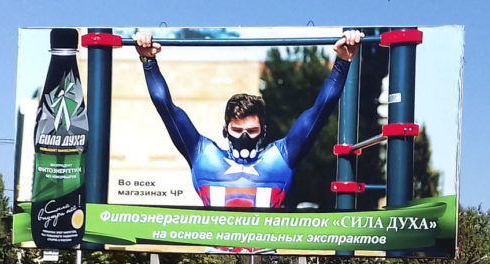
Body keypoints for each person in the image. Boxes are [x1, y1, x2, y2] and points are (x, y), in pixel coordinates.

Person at [133, 30, 364, 210]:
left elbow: (320, 111)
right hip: (216, 262)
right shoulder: (203, 155)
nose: (244, 136)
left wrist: (343, 61)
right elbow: (165, 107)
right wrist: (148, 61)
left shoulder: (280, 156)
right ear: (225, 130)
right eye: (237, 129)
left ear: (263, 130)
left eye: (252, 130)